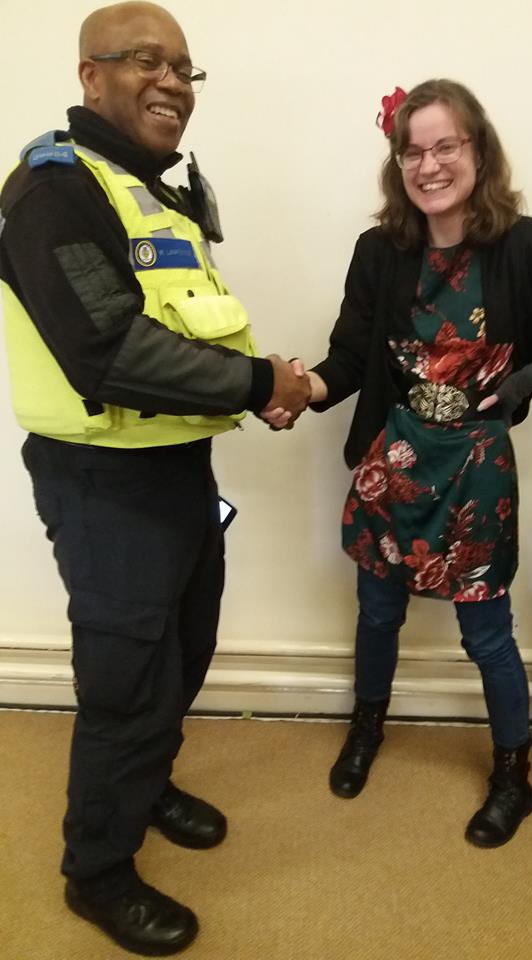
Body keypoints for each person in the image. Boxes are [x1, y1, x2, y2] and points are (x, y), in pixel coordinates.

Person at [270, 79, 532, 848]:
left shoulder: (531, 246)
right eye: (412, 151)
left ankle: (513, 775)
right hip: (394, 459)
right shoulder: (379, 252)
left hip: (476, 470)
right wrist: (298, 389)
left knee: (485, 632)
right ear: (398, 165)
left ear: (478, 150)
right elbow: (348, 358)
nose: (429, 165)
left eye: (445, 145)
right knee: (377, 612)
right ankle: (367, 726)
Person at [0, 2, 309, 955]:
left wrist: (261, 383)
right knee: (126, 679)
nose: (172, 82)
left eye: (184, 68)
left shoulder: (152, 192)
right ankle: (96, 873)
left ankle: (147, 783)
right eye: (146, 61)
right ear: (90, 76)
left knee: (184, 647)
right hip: (102, 483)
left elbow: (186, 326)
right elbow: (108, 350)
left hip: (177, 467)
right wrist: (260, 383)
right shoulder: (54, 189)